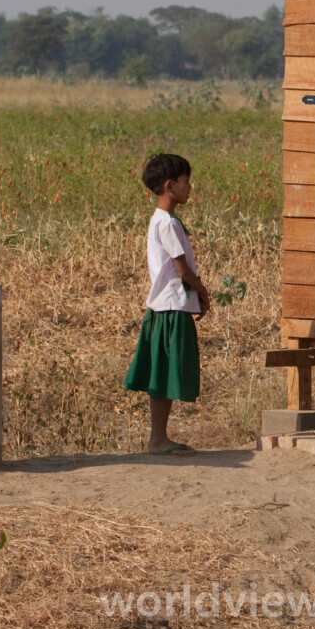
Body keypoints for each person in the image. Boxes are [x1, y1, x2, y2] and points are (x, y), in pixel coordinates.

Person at [123, 153, 210, 454]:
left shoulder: (160, 220)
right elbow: (182, 269)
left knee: (161, 372)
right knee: (166, 371)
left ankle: (158, 437)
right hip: (172, 306)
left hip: (163, 307)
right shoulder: (169, 224)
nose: (190, 187)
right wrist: (203, 292)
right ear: (170, 186)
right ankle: (158, 438)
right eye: (186, 182)